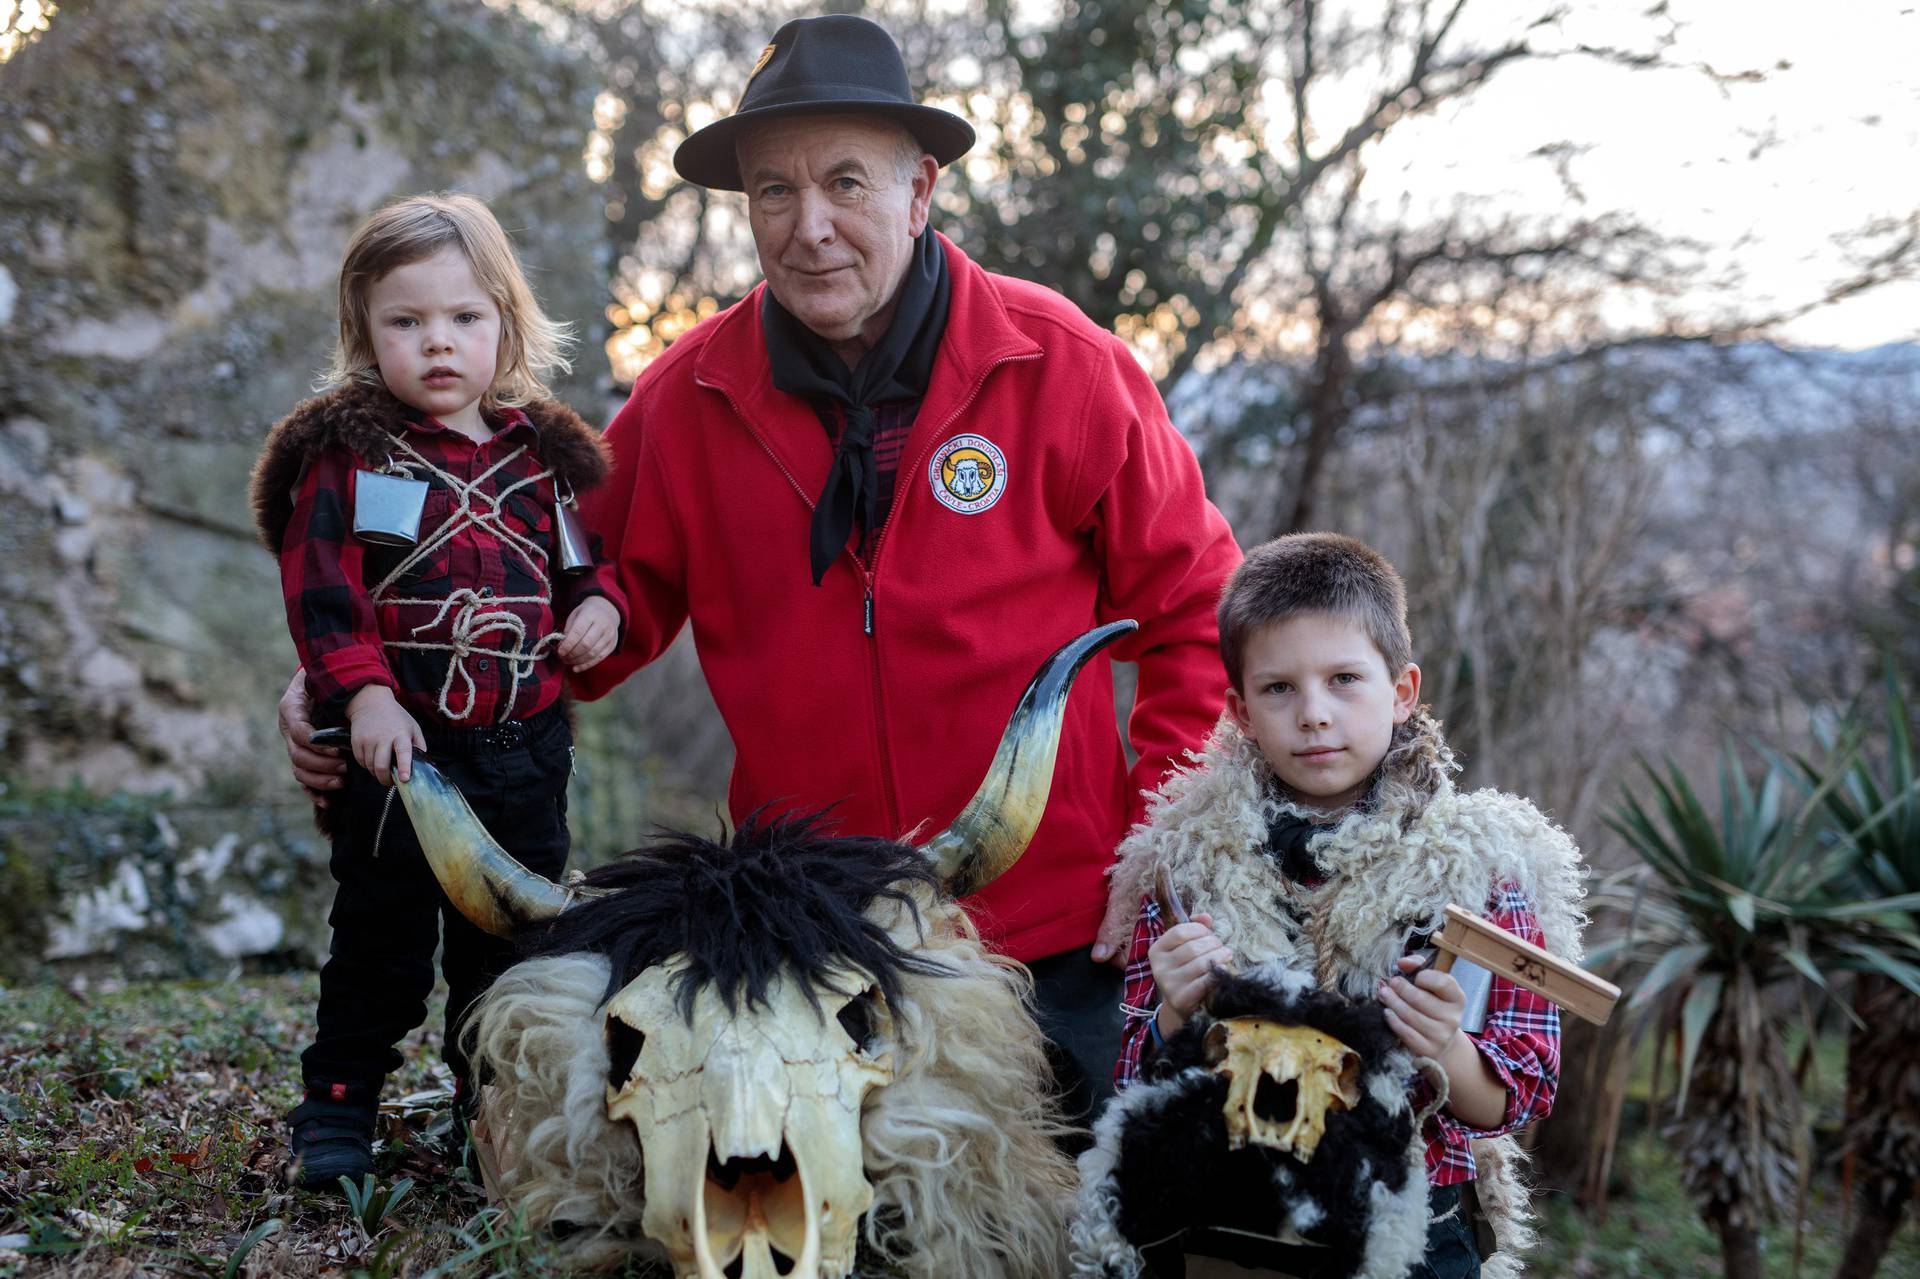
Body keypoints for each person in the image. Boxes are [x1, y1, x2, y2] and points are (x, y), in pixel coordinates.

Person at [279, 14, 1240, 1126]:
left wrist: (1161, 845)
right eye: (774, 192)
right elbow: (546, 605)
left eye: (845, 183)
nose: (810, 226)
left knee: (1086, 1201)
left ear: (919, 190)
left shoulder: (1065, 363)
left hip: (1059, 927)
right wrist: (348, 674)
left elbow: (1199, 611)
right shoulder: (684, 400)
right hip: (802, 941)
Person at [249, 193, 628, 1189]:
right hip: (403, 756)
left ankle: (491, 1108)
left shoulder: (541, 460)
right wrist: (364, 697)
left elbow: (585, 567)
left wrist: (602, 611)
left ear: (505, 319)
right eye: (406, 322)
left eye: (463, 317)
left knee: (509, 946)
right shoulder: (355, 455)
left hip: (523, 749)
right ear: (365, 335)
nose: (438, 343)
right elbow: (325, 594)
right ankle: (336, 1108)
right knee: (380, 940)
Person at [1108, 533, 1589, 1276]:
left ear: (1401, 692)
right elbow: (1136, 1080)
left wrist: (1445, 1047)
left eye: (1343, 679)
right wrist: (1174, 1012)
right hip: (1235, 1225)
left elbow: (1517, 1095)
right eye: (1279, 688)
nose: (1313, 714)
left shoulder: (1476, 867)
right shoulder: (1186, 866)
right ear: (1238, 710)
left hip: (1416, 1223)